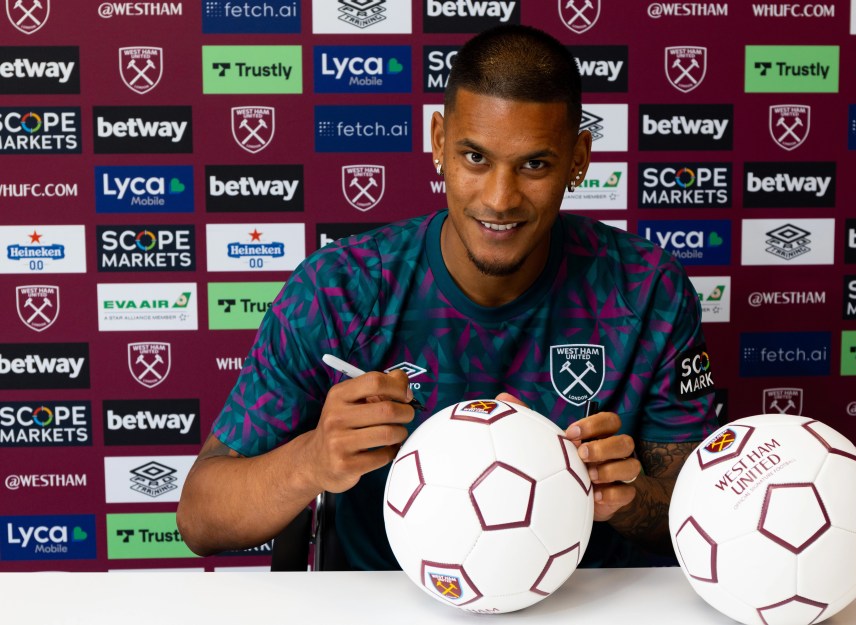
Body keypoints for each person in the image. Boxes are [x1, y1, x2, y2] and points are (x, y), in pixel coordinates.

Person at [177, 24, 718, 569]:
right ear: (438, 142)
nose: (500, 198)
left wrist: (622, 498)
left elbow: (701, 520)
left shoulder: (647, 289)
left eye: (535, 164)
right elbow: (200, 519)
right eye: (475, 158)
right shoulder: (339, 288)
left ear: (578, 158)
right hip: (387, 605)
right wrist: (310, 462)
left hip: (579, 604)